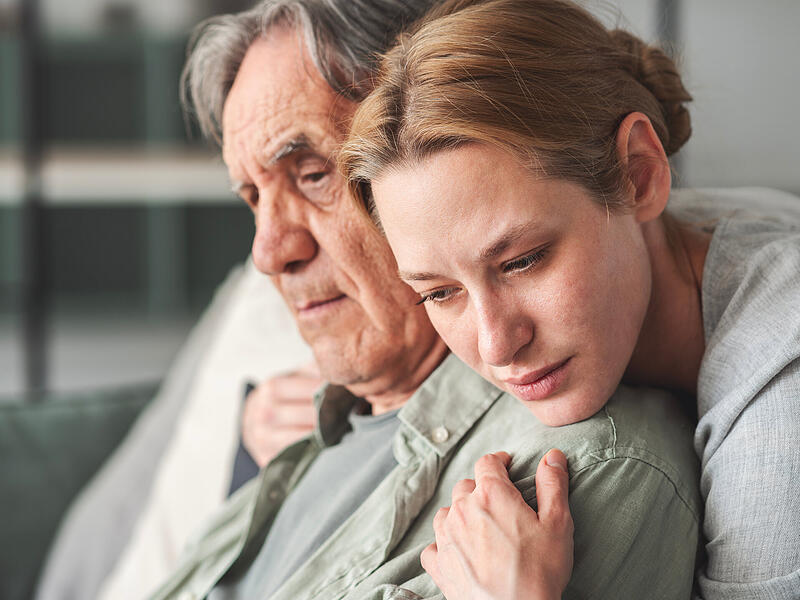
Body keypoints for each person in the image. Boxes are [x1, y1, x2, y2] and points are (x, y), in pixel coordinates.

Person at [145, 0, 704, 598]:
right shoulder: (309, 421)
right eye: (253, 196)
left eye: (312, 174)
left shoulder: (567, 479)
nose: (268, 252)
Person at [341, 0, 800, 598]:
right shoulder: (671, 236)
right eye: (439, 292)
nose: (496, 343)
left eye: (523, 260)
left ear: (640, 174)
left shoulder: (782, 408)